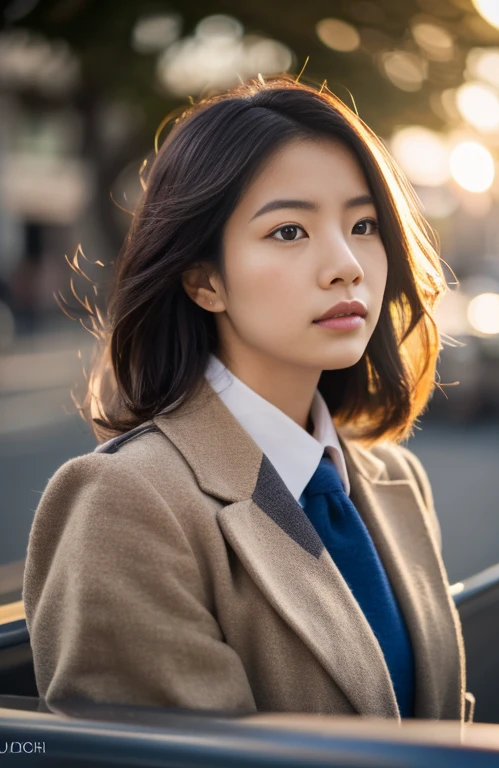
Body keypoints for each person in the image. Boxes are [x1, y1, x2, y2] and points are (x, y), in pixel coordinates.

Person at [22, 75, 474, 723]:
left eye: (365, 224)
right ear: (204, 281)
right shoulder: (126, 503)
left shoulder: (394, 478)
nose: (346, 263)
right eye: (289, 232)